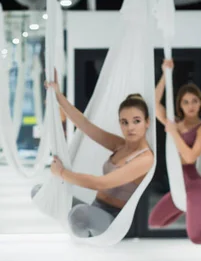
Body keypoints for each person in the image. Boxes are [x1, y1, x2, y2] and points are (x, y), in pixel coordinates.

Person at [32, 70, 154, 237]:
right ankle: (79, 224)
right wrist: (59, 97)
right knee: (41, 191)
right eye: (124, 122)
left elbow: (100, 184)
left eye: (136, 121)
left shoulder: (145, 159)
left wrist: (61, 173)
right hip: (94, 208)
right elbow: (85, 125)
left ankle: (82, 227)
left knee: (79, 214)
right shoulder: (120, 145)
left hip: (113, 220)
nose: (130, 127)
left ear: (147, 123)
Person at [148, 59, 201, 244]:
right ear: (180, 105)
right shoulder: (174, 123)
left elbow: (190, 156)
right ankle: (192, 208)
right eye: (186, 102)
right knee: (155, 222)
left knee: (197, 237)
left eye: (194, 101)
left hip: (195, 186)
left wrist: (173, 133)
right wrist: (164, 74)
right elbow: (153, 105)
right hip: (179, 185)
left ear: (200, 103)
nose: (190, 105)